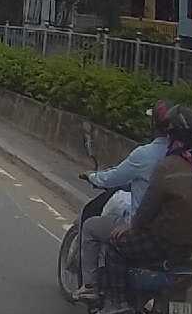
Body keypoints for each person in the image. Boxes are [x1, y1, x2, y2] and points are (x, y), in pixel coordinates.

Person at [92, 105, 192, 314]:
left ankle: (116, 301)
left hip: (160, 242)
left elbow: (148, 206)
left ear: (169, 134)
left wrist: (131, 226)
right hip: (187, 247)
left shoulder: (166, 166)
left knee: (113, 244)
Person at [72, 99, 174, 303]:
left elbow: (113, 178)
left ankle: (92, 287)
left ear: (153, 125)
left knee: (91, 227)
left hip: (145, 232)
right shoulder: (188, 159)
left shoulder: (145, 154)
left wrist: (92, 177)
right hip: (177, 236)